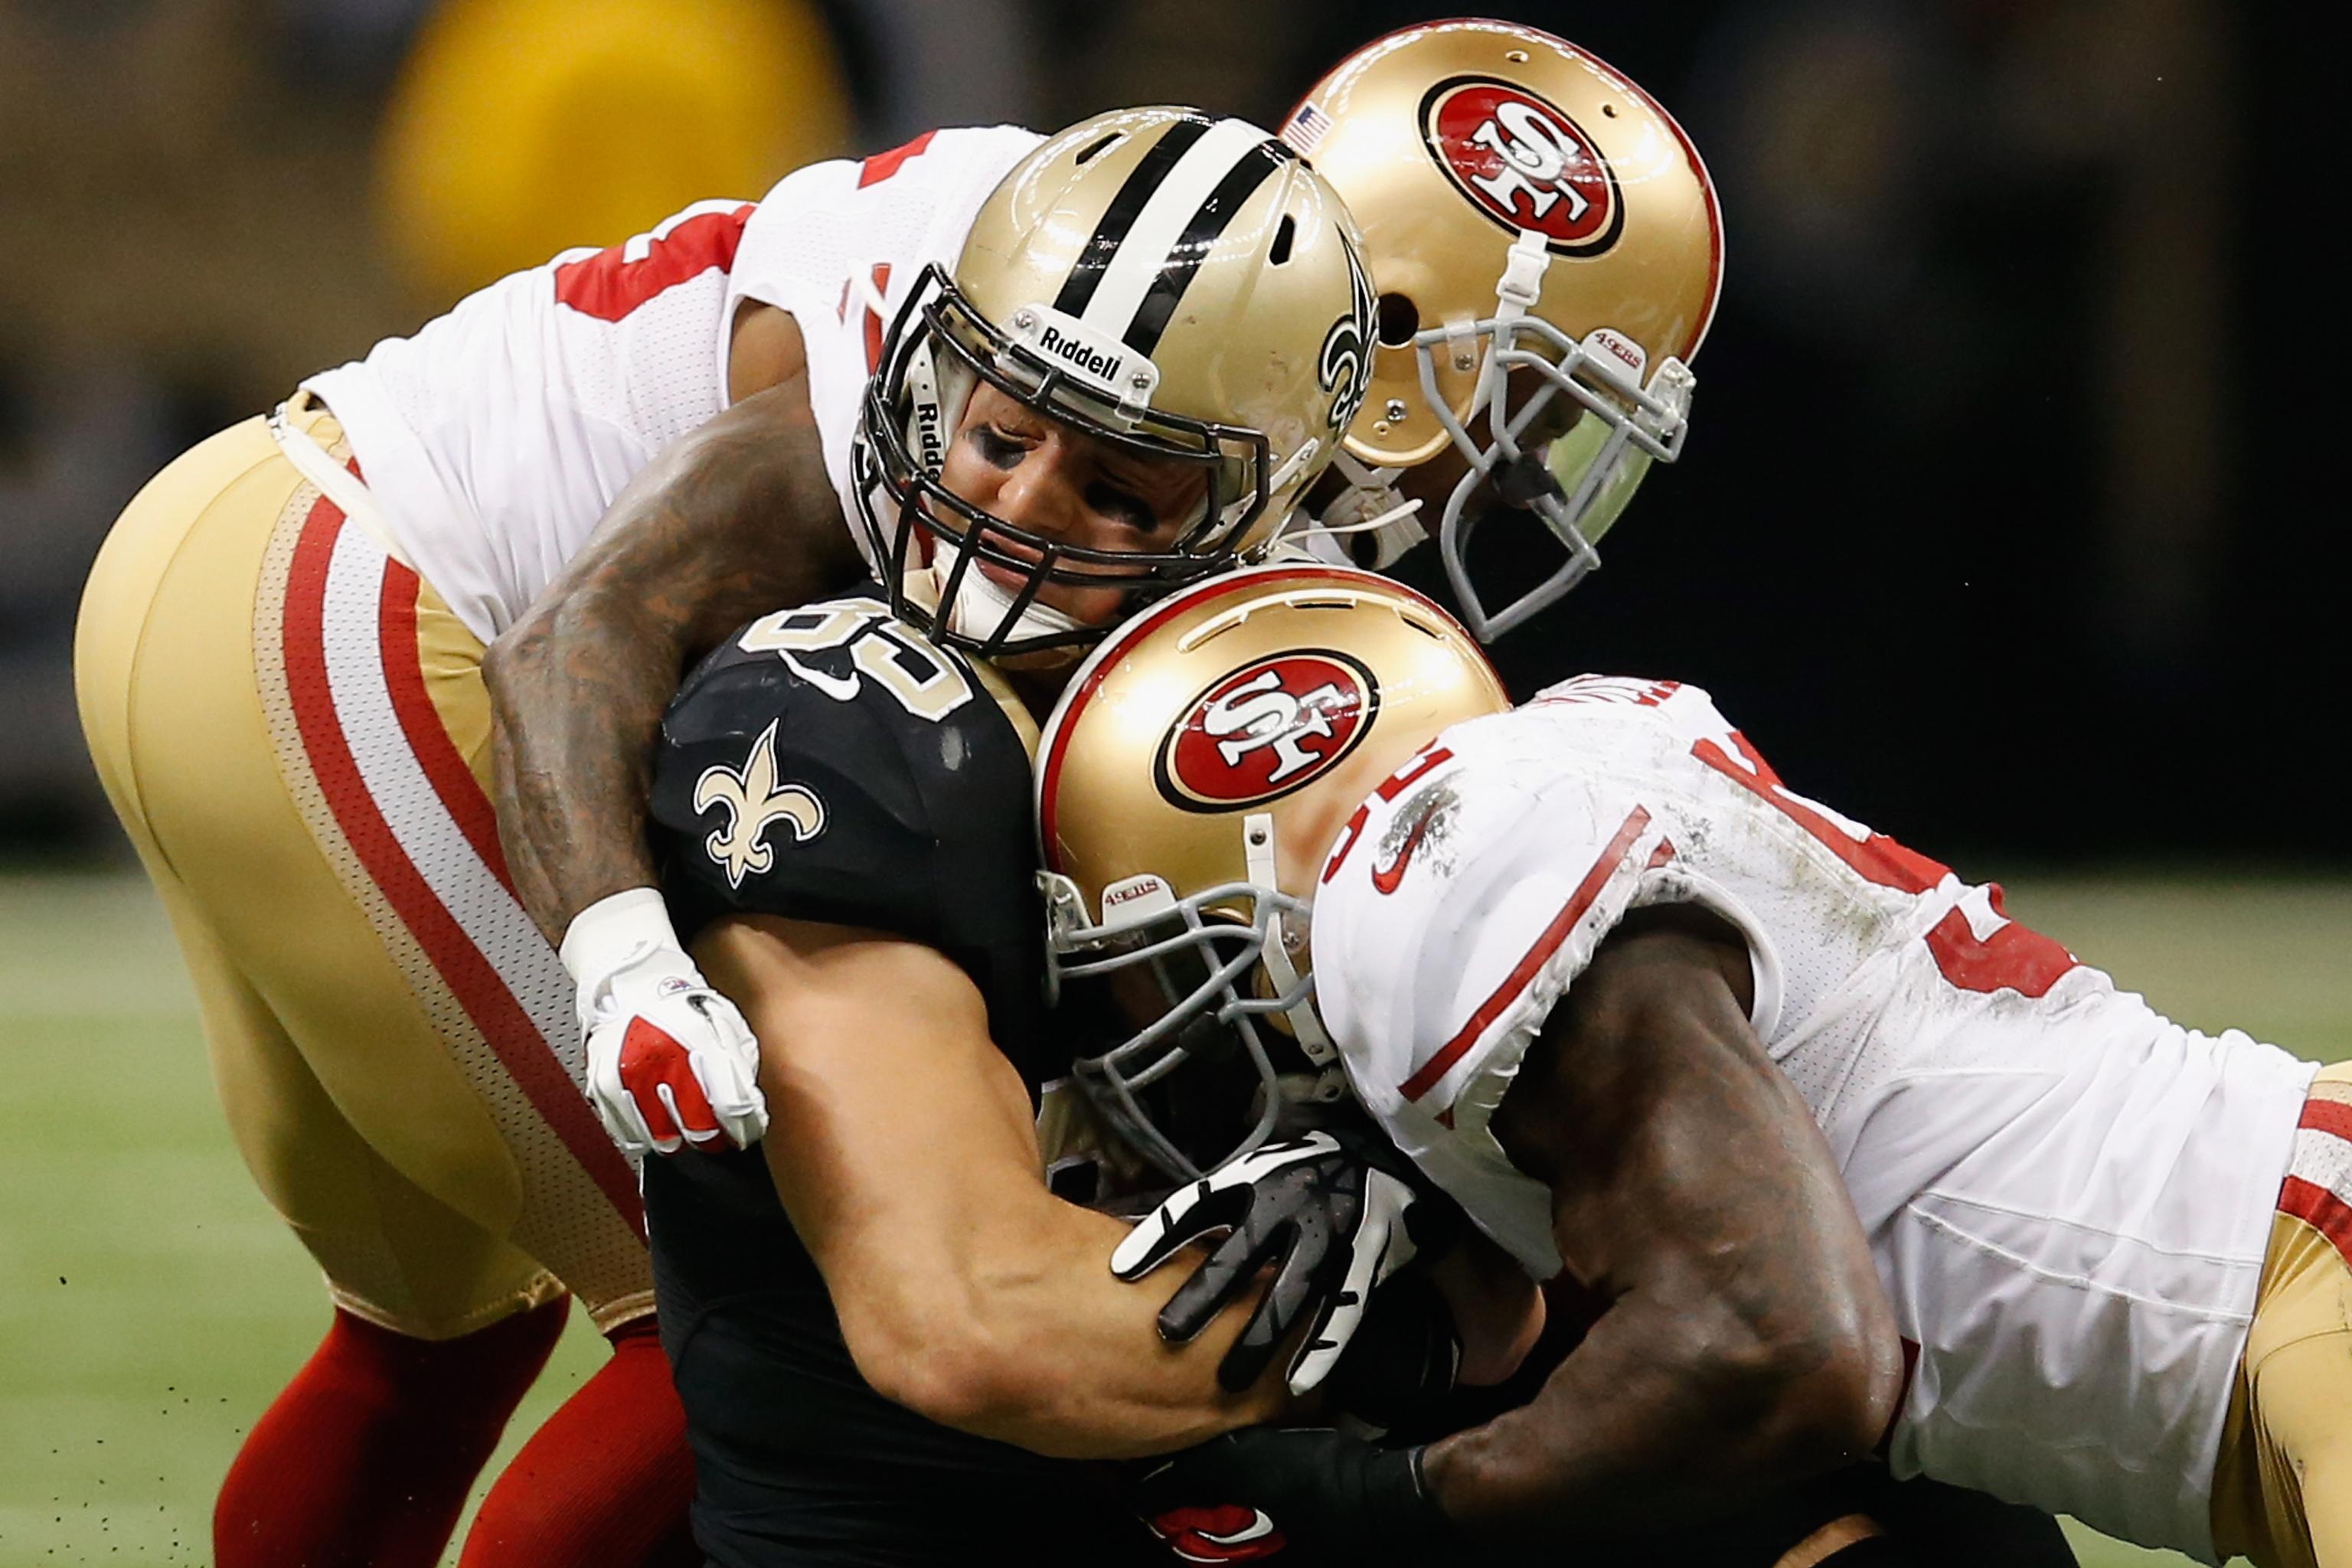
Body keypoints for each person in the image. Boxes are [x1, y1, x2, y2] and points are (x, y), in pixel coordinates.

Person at [70, 91, 1058, 1565]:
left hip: (240, 542)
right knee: (745, 1322)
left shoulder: (1047, 243)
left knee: (437, 1339)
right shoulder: (1022, 319)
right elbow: (579, 634)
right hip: (357, 605)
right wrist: (624, 956)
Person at [482, 18, 1728, 1160]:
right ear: (1389, 319)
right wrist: (628, 968)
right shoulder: (1042, 267)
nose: (1523, 468)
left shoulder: (1235, 449)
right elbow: (597, 623)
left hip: (553, 650)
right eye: (1528, 397)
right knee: (748, 1228)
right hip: (464, 608)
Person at [1035, 564, 2332, 1568]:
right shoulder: (1551, 799)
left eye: (1171, 955)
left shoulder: (1434, 889)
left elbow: (1778, 1346)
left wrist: (1392, 1508)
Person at [628, 109, 1496, 1564]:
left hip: (1180, 1485)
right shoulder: (844, 723)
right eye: (1000, 435)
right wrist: (1428, 1340)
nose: (1018, 510)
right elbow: (968, 1317)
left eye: (1112, 487)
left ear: (1261, 517)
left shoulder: (1283, 707)